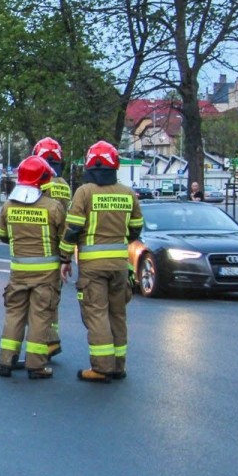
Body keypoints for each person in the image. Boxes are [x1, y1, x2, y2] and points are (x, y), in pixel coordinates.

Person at [59, 141, 143, 383]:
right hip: (120, 266)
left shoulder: (84, 192)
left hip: (93, 268)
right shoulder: (127, 193)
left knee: (96, 314)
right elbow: (136, 228)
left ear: (89, 165)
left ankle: (101, 368)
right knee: (117, 314)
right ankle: (118, 366)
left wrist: (65, 258)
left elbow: (73, 229)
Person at [0, 155, 67, 379]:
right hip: (46, 275)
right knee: (40, 318)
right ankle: (36, 366)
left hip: (18, 273)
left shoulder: (8, 206)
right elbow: (64, 240)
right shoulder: (54, 207)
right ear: (43, 180)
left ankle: (5, 361)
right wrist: (65, 260)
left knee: (14, 315)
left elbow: (3, 235)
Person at [32, 136, 70, 360]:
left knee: (38, 301)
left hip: (40, 247)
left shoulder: (39, 182)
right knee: (52, 298)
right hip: (58, 248)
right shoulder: (64, 184)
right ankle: (52, 339)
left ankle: (45, 343)